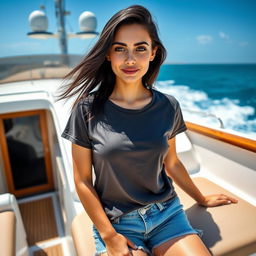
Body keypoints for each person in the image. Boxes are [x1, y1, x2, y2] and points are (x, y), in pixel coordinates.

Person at [58, 5, 238, 256]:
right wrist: (109, 236)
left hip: (167, 215)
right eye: (120, 49)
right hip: (118, 225)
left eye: (140, 48)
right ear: (108, 54)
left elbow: (172, 163)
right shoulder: (86, 109)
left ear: (153, 53)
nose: (130, 59)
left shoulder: (168, 106)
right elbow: (82, 181)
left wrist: (201, 198)